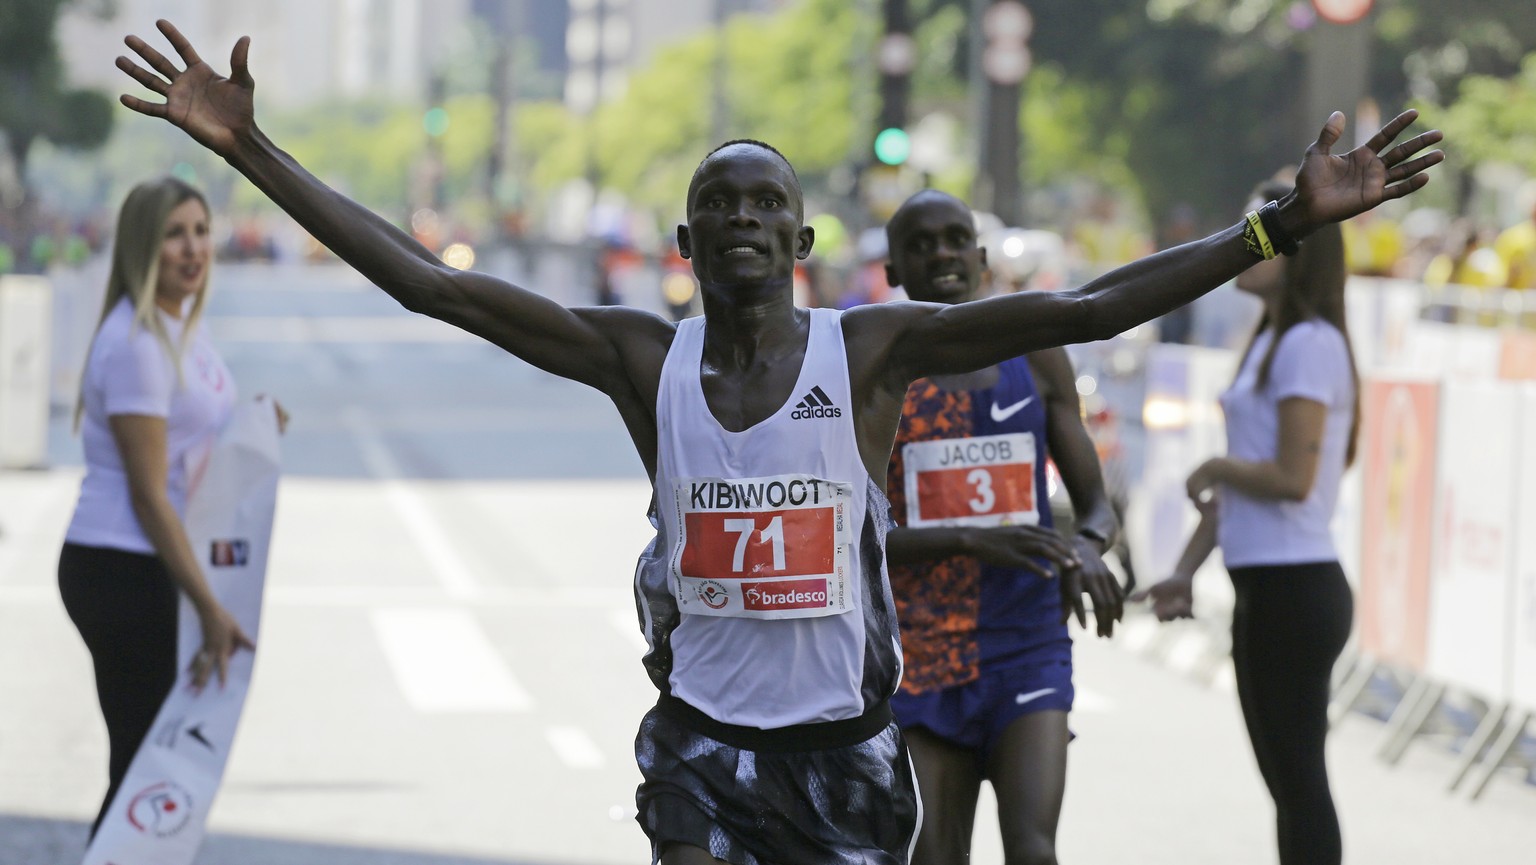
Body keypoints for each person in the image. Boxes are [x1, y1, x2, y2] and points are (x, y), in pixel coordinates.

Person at [114, 20, 1441, 865]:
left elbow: (1089, 306)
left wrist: (1277, 228)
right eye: (716, 204)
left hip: (849, 748)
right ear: (687, 244)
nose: (741, 217)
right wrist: (252, 150)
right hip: (700, 740)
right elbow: (434, 285)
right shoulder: (643, 357)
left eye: (767, 203)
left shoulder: (873, 350)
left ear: (800, 245)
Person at [881, 189, 1121, 865]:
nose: (942, 254)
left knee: (1034, 851)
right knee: (932, 854)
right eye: (921, 245)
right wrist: (967, 538)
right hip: (920, 651)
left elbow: (1097, 506)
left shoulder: (1037, 353)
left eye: (956, 238)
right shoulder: (876, 373)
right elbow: (855, 535)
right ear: (894, 270)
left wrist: (1087, 546)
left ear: (982, 257)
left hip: (1025, 637)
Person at [1133, 180, 1363, 865]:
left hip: (1297, 588)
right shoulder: (1271, 341)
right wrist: (1182, 570)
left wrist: (1219, 467)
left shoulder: (1308, 344)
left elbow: (1290, 479)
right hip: (1266, 584)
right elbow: (1245, 482)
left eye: (1263, 236)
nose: (1248, 249)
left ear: (1300, 251)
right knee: (1287, 784)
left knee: (1299, 782)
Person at [58, 176, 263, 839]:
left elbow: (194, 441)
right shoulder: (139, 344)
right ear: (144, 245)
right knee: (143, 769)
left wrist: (259, 425)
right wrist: (209, 605)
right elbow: (149, 494)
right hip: (123, 566)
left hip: (146, 566)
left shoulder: (180, 328)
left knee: (147, 766)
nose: (193, 248)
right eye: (175, 233)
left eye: (201, 230)